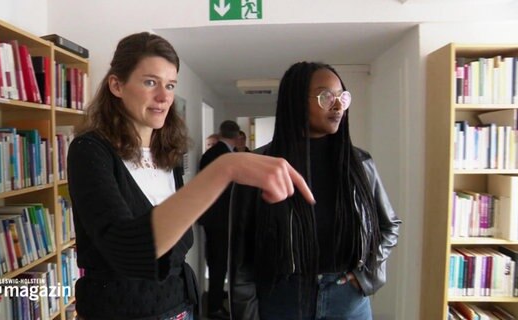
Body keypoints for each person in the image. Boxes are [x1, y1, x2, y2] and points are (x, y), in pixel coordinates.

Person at [67, 32, 314, 320]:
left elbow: (178, 240)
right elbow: (128, 252)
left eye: (170, 85)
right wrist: (225, 168)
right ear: (117, 85)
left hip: (179, 306)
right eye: (150, 82)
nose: (164, 97)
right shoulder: (89, 151)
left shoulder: (166, 153)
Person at [229, 62, 401, 320]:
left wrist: (366, 274)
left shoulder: (360, 165)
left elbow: (389, 226)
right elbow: (241, 256)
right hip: (281, 299)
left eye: (342, 96)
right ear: (296, 102)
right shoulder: (258, 166)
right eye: (326, 96)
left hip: (347, 301)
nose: (338, 105)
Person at [198, 120, 240, 319]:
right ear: (235, 136)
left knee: (216, 260)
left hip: (212, 216)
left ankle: (216, 296)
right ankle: (214, 307)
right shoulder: (227, 156)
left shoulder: (210, 154)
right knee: (219, 262)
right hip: (221, 219)